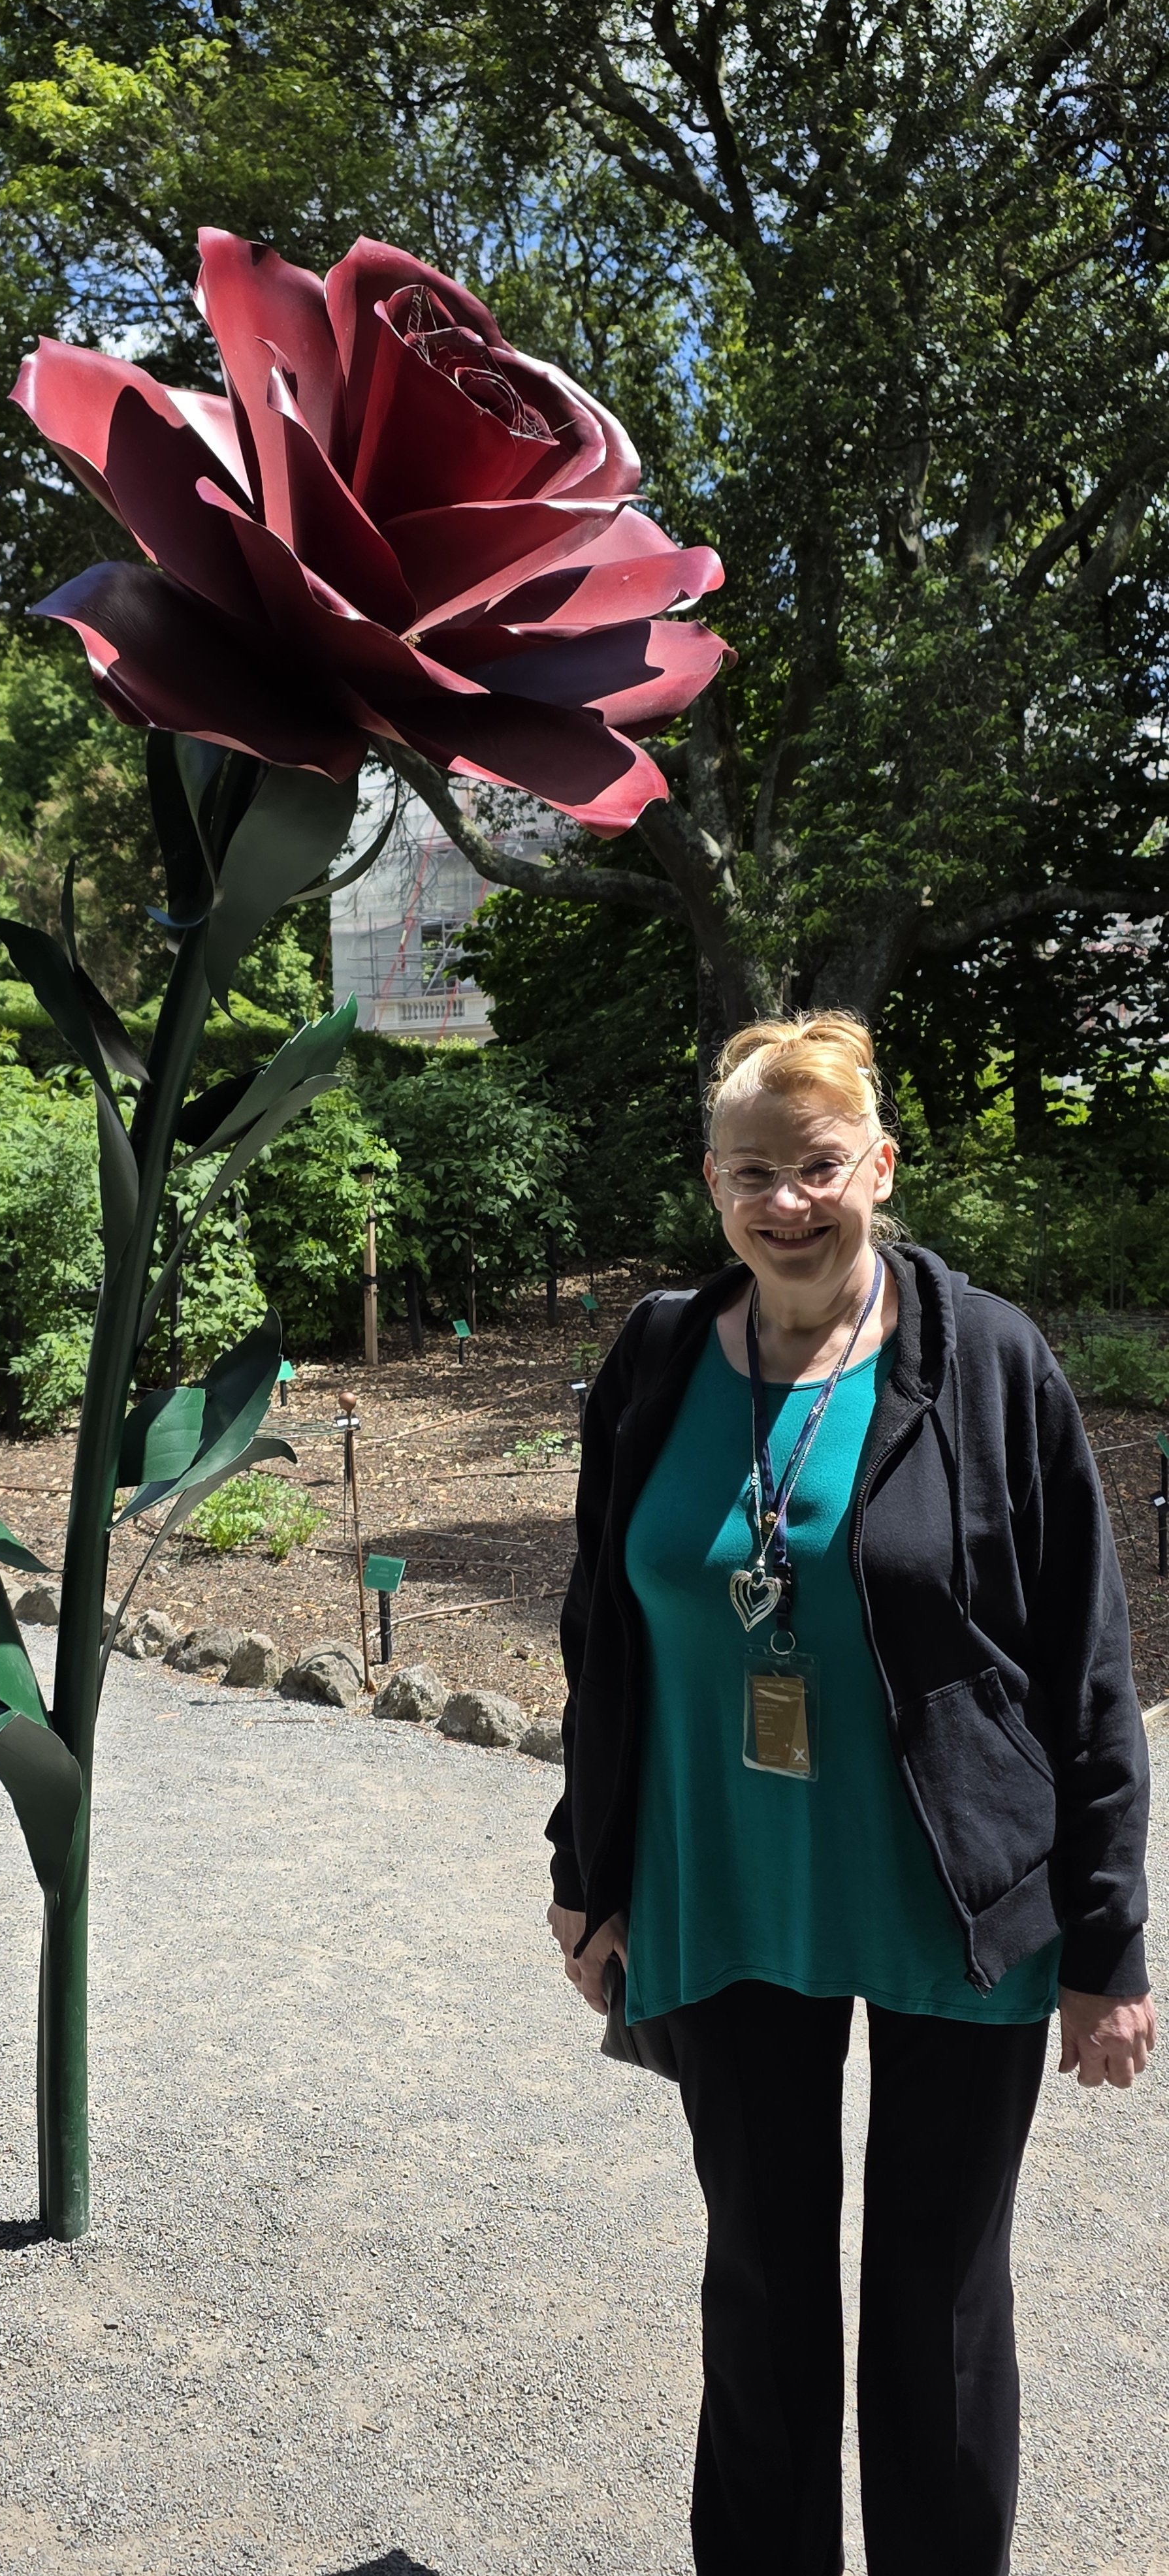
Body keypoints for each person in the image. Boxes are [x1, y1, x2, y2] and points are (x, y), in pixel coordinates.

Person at [546, 1012, 1154, 2576]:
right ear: (712, 1184)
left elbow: (1084, 1654)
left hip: (957, 1898)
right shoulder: (662, 1352)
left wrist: (1104, 1944)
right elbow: (603, 1632)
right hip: (725, 1883)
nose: (785, 1199)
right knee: (757, 2280)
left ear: (876, 1165)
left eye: (817, 1165)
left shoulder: (987, 1358)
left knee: (937, 2304)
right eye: (752, 1169)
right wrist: (589, 1860)